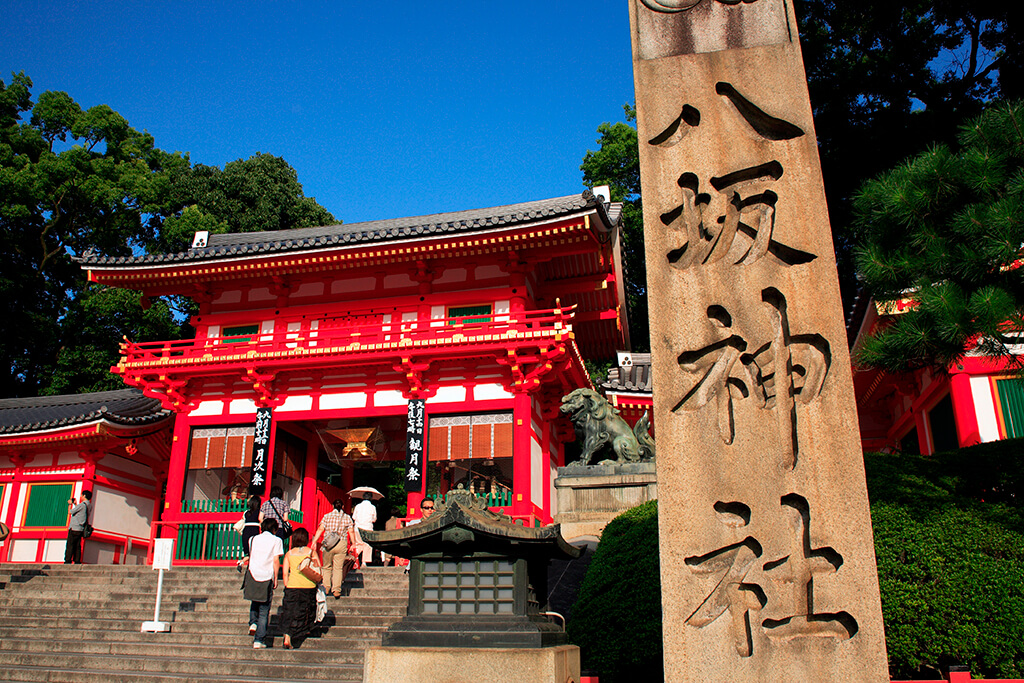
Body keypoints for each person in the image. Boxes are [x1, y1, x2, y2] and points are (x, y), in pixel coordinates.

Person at [244, 518, 283, 649]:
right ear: (274, 529)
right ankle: (259, 640)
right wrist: (276, 577)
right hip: (266, 575)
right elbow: (276, 560)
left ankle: (252, 623)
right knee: (264, 610)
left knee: (254, 600)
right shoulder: (276, 540)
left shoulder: (252, 539)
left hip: (253, 573)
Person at [280, 526, 320, 649]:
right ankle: (303, 630)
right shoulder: (311, 552)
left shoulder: (289, 554)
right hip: (308, 586)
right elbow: (318, 567)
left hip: (293, 585)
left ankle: (287, 637)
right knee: (306, 610)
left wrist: (287, 584)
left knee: (289, 611)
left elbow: (285, 573)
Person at [311, 499, 354, 599]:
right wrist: (353, 543)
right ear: (342, 507)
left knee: (326, 566)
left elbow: (321, 529)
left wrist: (314, 541)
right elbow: (351, 531)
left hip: (328, 544)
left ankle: (326, 587)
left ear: (332, 506)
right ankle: (336, 589)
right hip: (341, 543)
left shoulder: (327, 516)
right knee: (338, 568)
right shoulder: (347, 518)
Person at [64, 490, 92, 564]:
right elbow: (80, 513)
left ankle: (68, 560)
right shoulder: (89, 505)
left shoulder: (82, 505)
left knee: (70, 544)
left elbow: (70, 512)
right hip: (81, 528)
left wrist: (70, 504)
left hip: (74, 527)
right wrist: (76, 504)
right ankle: (77, 560)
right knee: (77, 545)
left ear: (84, 496)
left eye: (82, 495)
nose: (81, 496)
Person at [351, 492, 377, 566]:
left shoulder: (358, 506)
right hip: (367, 528)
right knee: (367, 545)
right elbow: (374, 519)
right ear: (371, 498)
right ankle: (364, 562)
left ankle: (354, 559)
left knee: (358, 544)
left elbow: (354, 517)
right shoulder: (372, 507)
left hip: (357, 528)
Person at [240, 495, 262, 559]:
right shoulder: (260, 512)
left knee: (247, 552)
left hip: (246, 530)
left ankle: (242, 562)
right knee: (255, 550)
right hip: (255, 530)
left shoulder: (246, 512)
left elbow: (243, 519)